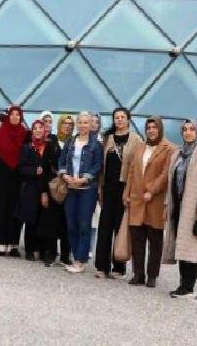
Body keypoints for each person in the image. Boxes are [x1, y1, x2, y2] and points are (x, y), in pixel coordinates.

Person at [164, 119, 197, 299]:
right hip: (179, 204)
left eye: (191, 129)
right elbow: (171, 181)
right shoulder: (179, 153)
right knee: (182, 244)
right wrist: (167, 204)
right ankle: (183, 284)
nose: (187, 132)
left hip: (194, 206)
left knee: (192, 245)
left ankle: (188, 286)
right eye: (185, 129)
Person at [124, 116, 174, 288]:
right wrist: (127, 193)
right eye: (149, 127)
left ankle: (152, 275)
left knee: (155, 239)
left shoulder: (169, 149)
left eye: (154, 127)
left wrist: (151, 191)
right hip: (137, 199)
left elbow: (165, 174)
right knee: (137, 238)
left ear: (160, 129)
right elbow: (131, 171)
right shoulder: (140, 147)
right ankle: (138, 274)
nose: (151, 130)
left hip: (155, 201)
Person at [94, 107, 142, 278]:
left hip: (124, 189)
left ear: (128, 119)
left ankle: (119, 267)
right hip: (108, 188)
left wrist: (131, 192)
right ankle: (101, 266)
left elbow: (137, 168)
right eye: (116, 117)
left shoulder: (136, 140)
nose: (119, 120)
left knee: (120, 227)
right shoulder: (108, 138)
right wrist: (100, 188)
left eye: (122, 117)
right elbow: (102, 167)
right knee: (104, 227)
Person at [58, 111, 103, 275]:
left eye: (86, 122)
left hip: (86, 190)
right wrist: (64, 175)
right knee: (71, 224)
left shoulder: (95, 145)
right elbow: (61, 161)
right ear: (77, 124)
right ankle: (76, 256)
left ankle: (79, 260)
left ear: (90, 124)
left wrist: (84, 179)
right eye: (81, 122)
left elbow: (97, 165)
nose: (83, 125)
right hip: (70, 189)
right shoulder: (70, 142)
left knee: (84, 225)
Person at [0, 105, 28, 256]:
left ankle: (12, 245)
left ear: (21, 117)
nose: (15, 117)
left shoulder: (25, 134)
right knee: (2, 209)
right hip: (2, 177)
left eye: (18, 115)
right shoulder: (1, 133)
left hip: (18, 178)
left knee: (15, 211)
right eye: (13, 114)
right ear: (9, 116)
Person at [16, 119, 57, 263]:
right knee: (31, 220)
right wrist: (34, 171)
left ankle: (42, 249)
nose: (38, 130)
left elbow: (54, 165)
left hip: (45, 187)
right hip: (31, 188)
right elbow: (20, 167)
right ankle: (29, 250)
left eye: (41, 127)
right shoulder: (27, 147)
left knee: (43, 219)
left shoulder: (49, 146)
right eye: (35, 128)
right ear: (32, 131)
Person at [51, 114, 75, 266]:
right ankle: (52, 252)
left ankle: (65, 255)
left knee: (68, 221)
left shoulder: (74, 142)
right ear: (59, 125)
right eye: (65, 123)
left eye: (70, 124)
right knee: (53, 220)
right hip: (55, 185)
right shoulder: (52, 141)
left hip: (70, 185)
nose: (67, 126)